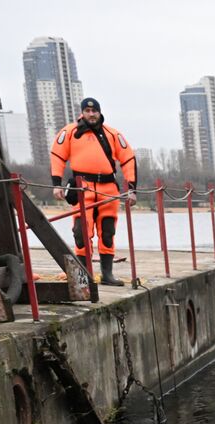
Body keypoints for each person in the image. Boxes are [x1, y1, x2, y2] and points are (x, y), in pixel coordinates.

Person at [50, 97, 137, 286]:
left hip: (108, 190)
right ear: (82, 112)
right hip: (82, 188)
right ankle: (85, 276)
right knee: (81, 233)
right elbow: (57, 155)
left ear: (99, 112)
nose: (91, 114)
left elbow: (128, 158)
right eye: (87, 111)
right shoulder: (70, 132)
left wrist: (131, 188)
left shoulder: (113, 134)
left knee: (107, 231)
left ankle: (107, 274)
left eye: (94, 111)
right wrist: (56, 183)